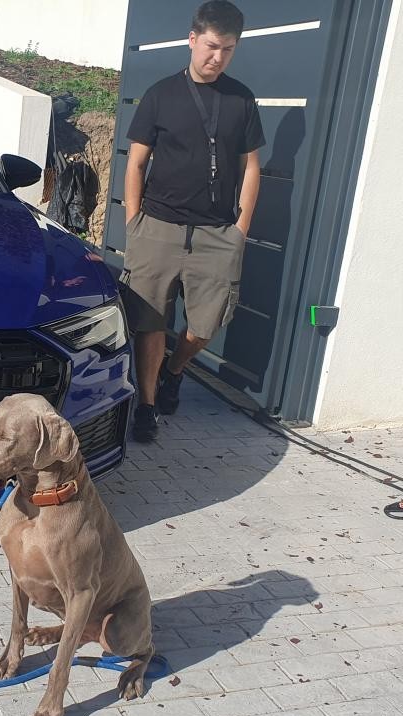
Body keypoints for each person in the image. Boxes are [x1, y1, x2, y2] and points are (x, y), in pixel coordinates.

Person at [122, 0, 264, 442]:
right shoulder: (160, 95)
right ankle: (147, 405)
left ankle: (176, 367)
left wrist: (240, 230)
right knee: (150, 322)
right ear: (192, 39)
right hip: (157, 228)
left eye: (228, 49)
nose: (217, 57)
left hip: (216, 233)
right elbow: (136, 163)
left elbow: (251, 167)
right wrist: (133, 222)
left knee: (206, 325)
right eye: (211, 46)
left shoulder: (241, 99)